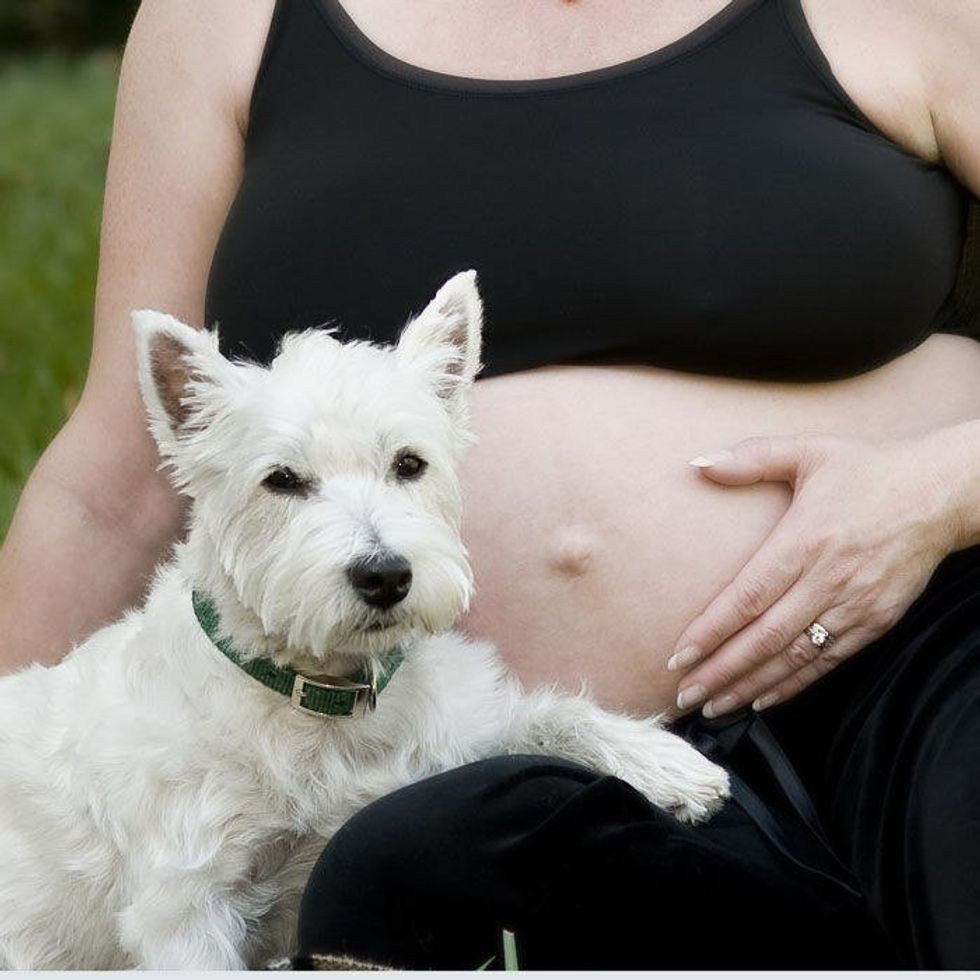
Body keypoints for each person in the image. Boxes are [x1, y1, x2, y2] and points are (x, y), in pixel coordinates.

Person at [1, 0, 979, 968]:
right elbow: (113, 485)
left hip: (917, 653)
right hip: (487, 761)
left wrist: (932, 492)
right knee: (396, 875)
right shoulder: (225, 19)